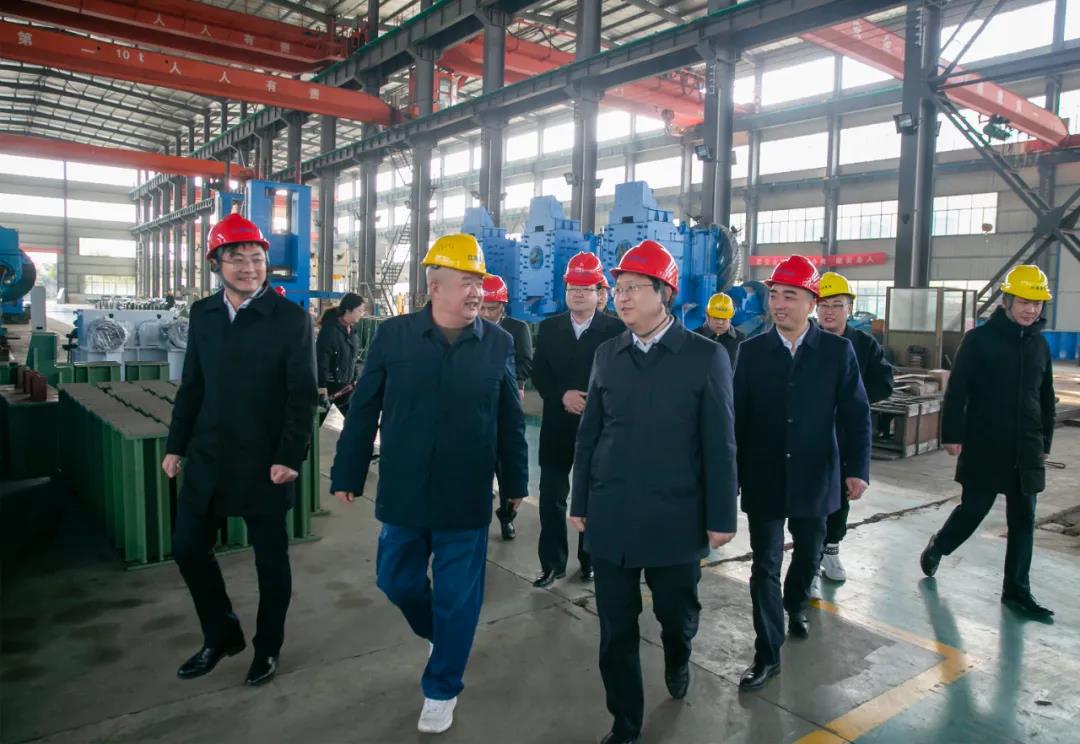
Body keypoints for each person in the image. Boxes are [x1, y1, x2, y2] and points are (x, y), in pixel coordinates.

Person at [329, 234, 529, 734]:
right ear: (435, 286)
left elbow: (509, 419)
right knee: (396, 581)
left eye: (478, 282)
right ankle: (442, 634)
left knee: (459, 596)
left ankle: (442, 686)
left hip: (466, 492)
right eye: (465, 282)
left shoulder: (498, 344)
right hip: (405, 488)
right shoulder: (394, 337)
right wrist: (348, 471)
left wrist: (515, 481)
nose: (476, 291)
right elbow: (364, 409)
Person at [570, 240, 737, 744]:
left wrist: (722, 515)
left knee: (675, 615)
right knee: (615, 629)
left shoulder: (705, 357)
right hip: (612, 512)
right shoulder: (607, 354)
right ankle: (625, 722)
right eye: (618, 288)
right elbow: (590, 434)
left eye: (633, 288)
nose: (621, 297)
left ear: (664, 293)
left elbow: (720, 443)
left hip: (676, 517)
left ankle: (678, 656)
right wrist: (580, 501)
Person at [162, 212, 317, 688]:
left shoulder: (290, 320)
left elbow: (302, 396)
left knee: (270, 561)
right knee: (188, 548)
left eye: (256, 258)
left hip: (264, 460)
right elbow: (193, 384)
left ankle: (267, 647)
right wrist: (176, 444)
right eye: (236, 258)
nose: (249, 267)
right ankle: (222, 634)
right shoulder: (203, 314)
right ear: (217, 264)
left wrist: (289, 456)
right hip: (209, 454)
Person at [733, 255, 870, 691]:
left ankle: (794, 605)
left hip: (816, 476)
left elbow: (855, 413)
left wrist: (857, 469)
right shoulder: (752, 352)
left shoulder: (837, 352)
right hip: (765, 474)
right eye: (774, 295)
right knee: (765, 565)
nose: (779, 304)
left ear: (812, 302)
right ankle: (767, 653)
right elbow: (737, 417)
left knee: (809, 555)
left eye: (790, 296)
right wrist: (731, 474)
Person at [920, 265, 1057, 621]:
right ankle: (939, 545)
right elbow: (958, 389)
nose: (1031, 310)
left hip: (1026, 446)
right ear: (1007, 301)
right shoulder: (979, 340)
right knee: (974, 509)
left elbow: (1045, 396)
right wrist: (952, 434)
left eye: (1037, 303)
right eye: (1024, 302)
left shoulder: (1040, 345)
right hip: (985, 442)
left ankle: (1017, 590)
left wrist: (1045, 439)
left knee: (1024, 518)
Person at [531, 252, 624, 588]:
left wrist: (593, 402)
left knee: (594, 497)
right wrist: (562, 396)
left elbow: (621, 378)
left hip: (598, 429)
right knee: (551, 497)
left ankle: (590, 560)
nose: (578, 294)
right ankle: (552, 564)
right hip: (557, 426)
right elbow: (539, 373)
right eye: (573, 287)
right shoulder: (549, 328)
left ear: (600, 292)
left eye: (586, 288)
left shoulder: (615, 330)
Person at [810, 272, 894, 597]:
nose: (829, 311)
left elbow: (884, 382)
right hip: (812, 435)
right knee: (812, 501)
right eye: (824, 305)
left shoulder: (864, 345)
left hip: (846, 435)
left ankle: (831, 549)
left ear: (849, 308)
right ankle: (809, 563)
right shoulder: (806, 341)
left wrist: (853, 399)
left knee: (841, 497)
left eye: (837, 305)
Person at [478, 274, 534, 541]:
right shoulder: (469, 328)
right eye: (482, 308)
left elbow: (525, 359)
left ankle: (507, 516)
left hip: (506, 399)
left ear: (503, 306)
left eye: (492, 308)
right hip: (479, 407)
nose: (486, 314)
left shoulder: (516, 329)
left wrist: (517, 383)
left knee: (506, 462)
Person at [316, 292, 365, 422]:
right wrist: (321, 386)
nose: (362, 314)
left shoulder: (352, 333)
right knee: (319, 421)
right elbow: (322, 360)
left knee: (354, 422)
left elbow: (353, 359)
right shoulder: (329, 331)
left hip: (347, 387)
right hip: (330, 387)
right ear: (348, 310)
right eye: (359, 310)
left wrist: (355, 378)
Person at [693, 292, 745, 368]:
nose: (720, 322)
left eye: (724, 318)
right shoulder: (694, 338)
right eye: (716, 318)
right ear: (707, 316)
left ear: (730, 317)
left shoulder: (741, 340)